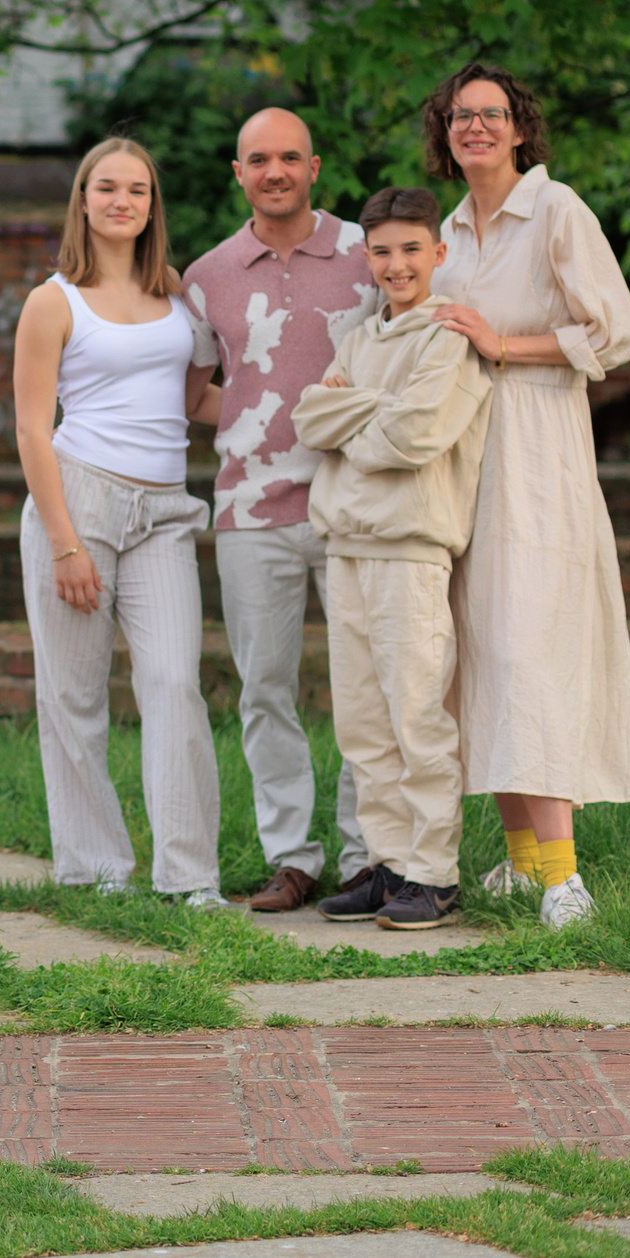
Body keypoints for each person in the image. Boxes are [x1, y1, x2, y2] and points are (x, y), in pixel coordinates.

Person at [424, 62, 630, 929]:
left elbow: (613, 332)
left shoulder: (556, 210)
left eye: (492, 114)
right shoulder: (446, 230)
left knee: (530, 653)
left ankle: (565, 880)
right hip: (464, 461)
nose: (474, 126)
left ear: (519, 129)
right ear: (445, 132)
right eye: (459, 115)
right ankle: (519, 862)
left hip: (538, 458)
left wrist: (502, 343)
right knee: (480, 654)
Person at [13, 137, 229, 907]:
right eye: (106, 187)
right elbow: (33, 430)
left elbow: (194, 399)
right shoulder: (52, 301)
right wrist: (64, 542)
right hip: (78, 502)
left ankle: (189, 877)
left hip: (164, 510)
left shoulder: (172, 289)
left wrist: (278, 411)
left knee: (173, 683)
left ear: (150, 205)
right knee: (72, 697)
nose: (121, 201)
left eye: (136, 190)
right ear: (82, 198)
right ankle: (96, 867)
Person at [180, 109, 373, 912]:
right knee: (265, 688)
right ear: (237, 172)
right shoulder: (209, 275)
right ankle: (293, 857)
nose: (275, 171)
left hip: (357, 501)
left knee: (368, 686)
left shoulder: (369, 253)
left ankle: (370, 856)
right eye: (258, 159)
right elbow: (192, 389)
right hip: (251, 508)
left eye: (289, 157)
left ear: (314, 166)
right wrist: (258, 413)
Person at [294, 188, 492, 930]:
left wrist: (351, 411)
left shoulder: (448, 336)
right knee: (363, 722)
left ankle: (432, 873)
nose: (396, 263)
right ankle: (385, 864)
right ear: (366, 256)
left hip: (410, 546)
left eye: (411, 248)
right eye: (381, 250)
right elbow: (307, 418)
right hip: (345, 542)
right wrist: (368, 406)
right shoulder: (357, 338)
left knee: (416, 713)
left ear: (437, 253)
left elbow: (414, 437)